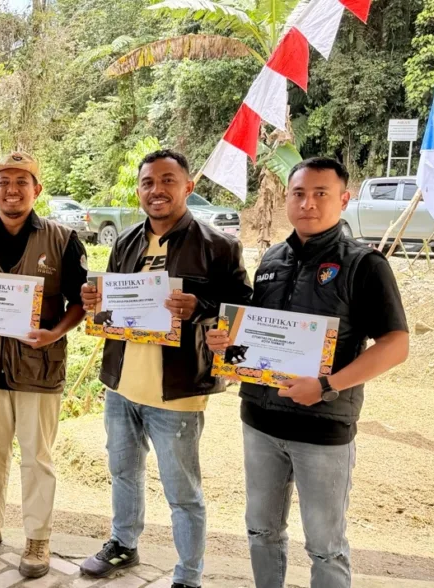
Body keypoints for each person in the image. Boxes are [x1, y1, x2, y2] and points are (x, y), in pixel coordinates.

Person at [207, 158, 409, 588]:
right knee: (261, 530)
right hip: (260, 423)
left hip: (323, 430)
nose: (309, 203)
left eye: (321, 194)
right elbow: (255, 332)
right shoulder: (272, 258)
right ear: (287, 199)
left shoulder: (364, 265)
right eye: (299, 193)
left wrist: (325, 385)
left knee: (325, 545)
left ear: (344, 199)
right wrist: (225, 341)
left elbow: (396, 345)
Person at [79, 150, 252, 588]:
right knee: (123, 472)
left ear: (188, 187)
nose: (157, 190)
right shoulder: (127, 241)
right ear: (139, 190)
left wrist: (203, 308)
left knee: (182, 492)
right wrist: (96, 304)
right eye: (148, 182)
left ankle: (188, 575)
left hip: (177, 390)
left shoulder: (218, 246)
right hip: (122, 384)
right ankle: (123, 544)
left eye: (168, 180)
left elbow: (243, 310)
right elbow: (114, 305)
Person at [0, 153, 87, 578]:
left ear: (37, 189)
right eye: (3, 182)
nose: (12, 189)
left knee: (37, 456)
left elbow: (81, 302)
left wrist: (55, 333)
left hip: (37, 363)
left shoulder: (63, 240)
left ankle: (38, 538)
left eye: (21, 182)